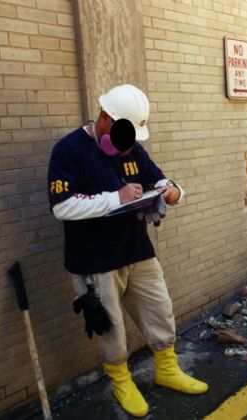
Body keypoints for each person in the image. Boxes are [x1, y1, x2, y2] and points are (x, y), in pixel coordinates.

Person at [47, 84, 208, 417]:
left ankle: (167, 369)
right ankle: (121, 380)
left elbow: (158, 179)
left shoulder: (132, 147)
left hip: (137, 249)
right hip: (95, 260)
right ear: (106, 117)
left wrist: (173, 191)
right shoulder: (68, 150)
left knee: (159, 309)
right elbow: (62, 206)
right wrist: (115, 198)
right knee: (111, 326)